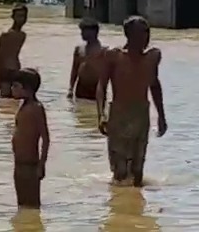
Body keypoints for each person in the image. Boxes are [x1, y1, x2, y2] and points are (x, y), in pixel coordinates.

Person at [96, 16, 167, 187]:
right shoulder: (114, 55)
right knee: (120, 171)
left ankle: (134, 206)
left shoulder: (152, 56)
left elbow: (154, 86)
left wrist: (161, 116)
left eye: (147, 32)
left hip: (141, 113)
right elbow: (102, 86)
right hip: (119, 113)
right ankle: (119, 206)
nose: (146, 37)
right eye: (141, 33)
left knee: (137, 172)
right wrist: (101, 114)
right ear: (129, 35)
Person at [11, 68, 50, 209]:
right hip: (19, 164)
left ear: (27, 89)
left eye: (15, 86)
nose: (12, 89)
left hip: (30, 165)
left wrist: (42, 164)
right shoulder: (23, 107)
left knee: (32, 205)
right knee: (22, 206)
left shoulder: (36, 108)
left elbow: (45, 138)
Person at [68, 18, 106, 100]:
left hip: (96, 89)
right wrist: (70, 89)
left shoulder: (104, 51)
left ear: (94, 32)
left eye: (84, 31)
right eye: (81, 31)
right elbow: (74, 70)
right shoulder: (79, 49)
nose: (81, 34)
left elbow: (108, 74)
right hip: (80, 89)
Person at [0, 4, 27, 98]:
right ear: (13, 17)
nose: (22, 19)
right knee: (4, 100)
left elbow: (15, 54)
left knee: (14, 102)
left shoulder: (22, 35)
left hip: (16, 70)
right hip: (5, 71)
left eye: (24, 16)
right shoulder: (6, 35)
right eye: (19, 16)